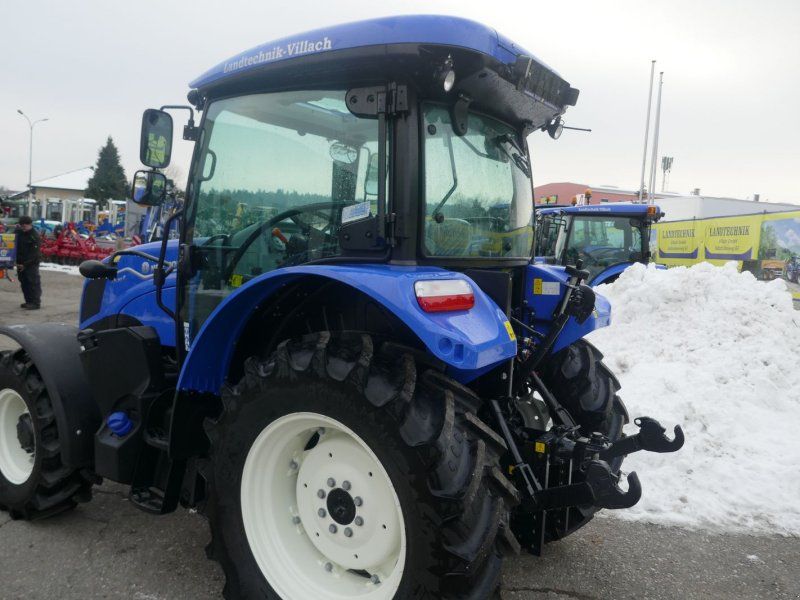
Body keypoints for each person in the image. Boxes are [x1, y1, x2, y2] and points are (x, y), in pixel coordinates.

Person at [15, 215, 41, 310]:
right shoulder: (19, 232)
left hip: (31, 264)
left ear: (30, 225)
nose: (23, 228)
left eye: (25, 226)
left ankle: (35, 303)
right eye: (21, 226)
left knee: (32, 283)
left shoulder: (34, 236)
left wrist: (25, 265)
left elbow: (35, 254)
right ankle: (28, 301)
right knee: (24, 282)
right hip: (20, 263)